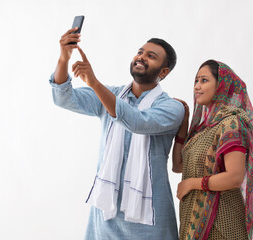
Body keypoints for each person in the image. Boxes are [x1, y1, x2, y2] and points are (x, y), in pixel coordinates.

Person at [49, 27, 185, 239]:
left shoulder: (172, 108)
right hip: (106, 217)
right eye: (140, 52)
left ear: (163, 72)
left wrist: (94, 83)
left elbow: (138, 122)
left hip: (150, 219)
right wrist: (63, 59)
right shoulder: (110, 95)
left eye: (151, 56)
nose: (141, 57)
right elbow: (64, 98)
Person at [172, 60, 253, 240]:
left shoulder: (231, 123)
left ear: (221, 85)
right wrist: (183, 127)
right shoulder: (201, 129)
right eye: (196, 81)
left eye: (204, 80)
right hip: (193, 220)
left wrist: (191, 184)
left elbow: (234, 177)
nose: (197, 86)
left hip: (222, 223)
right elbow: (178, 166)